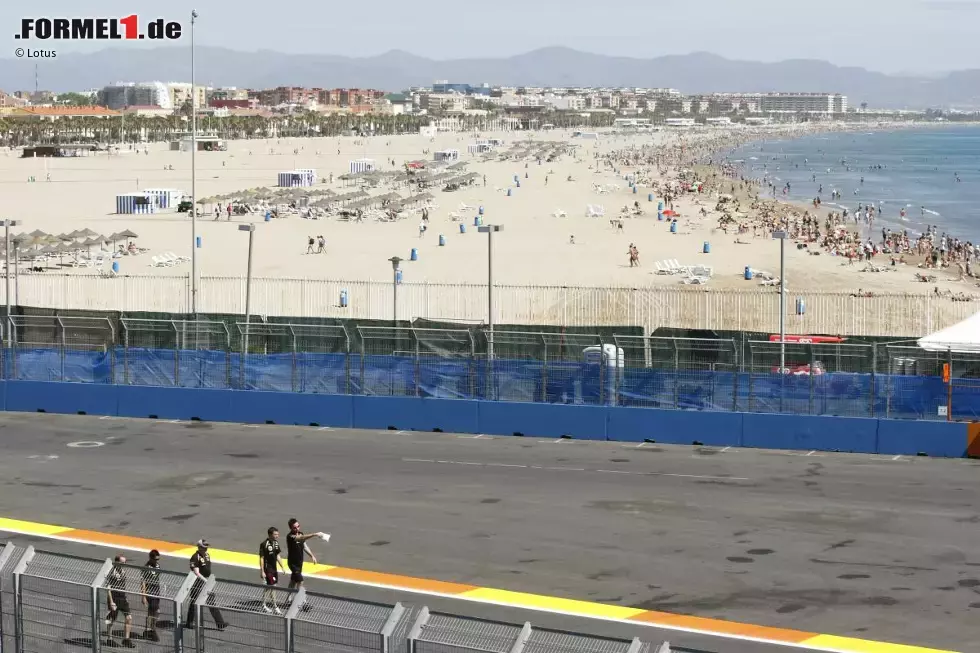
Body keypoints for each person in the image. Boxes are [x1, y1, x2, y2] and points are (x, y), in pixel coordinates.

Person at [186, 539, 227, 631]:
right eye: (204, 547)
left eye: (206, 547)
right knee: (193, 603)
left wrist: (210, 579)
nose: (206, 549)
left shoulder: (207, 555)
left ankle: (220, 623)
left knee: (211, 602)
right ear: (199, 547)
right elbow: (196, 572)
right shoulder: (195, 557)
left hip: (207, 581)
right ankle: (189, 622)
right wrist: (205, 580)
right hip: (198, 582)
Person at [105, 555, 135, 648]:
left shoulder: (123, 572)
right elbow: (108, 587)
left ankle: (126, 639)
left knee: (129, 618)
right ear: (117, 562)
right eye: (122, 562)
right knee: (112, 620)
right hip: (114, 598)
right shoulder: (111, 572)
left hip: (122, 598)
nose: (124, 564)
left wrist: (125, 596)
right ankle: (109, 639)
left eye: (125, 562)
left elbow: (123, 586)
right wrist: (111, 602)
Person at [285, 518, 324, 590]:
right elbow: (301, 538)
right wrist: (315, 534)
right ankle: (299, 599)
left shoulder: (301, 533)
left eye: (298, 526)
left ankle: (288, 599)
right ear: (290, 528)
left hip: (299, 562)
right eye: (294, 528)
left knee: (293, 581)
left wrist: (312, 556)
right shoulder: (290, 536)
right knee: (300, 581)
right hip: (293, 563)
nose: (297, 529)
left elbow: (304, 546)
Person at [259, 527, 285, 614]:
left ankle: (263, 604)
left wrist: (282, 566)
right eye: (275, 534)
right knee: (272, 587)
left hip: (274, 569)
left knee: (268, 587)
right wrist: (262, 571)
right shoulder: (264, 544)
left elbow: (278, 556)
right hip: (268, 569)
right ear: (270, 535)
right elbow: (261, 558)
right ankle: (275, 606)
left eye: (277, 534)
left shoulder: (276, 543)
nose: (277, 536)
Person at [141, 550, 162, 642]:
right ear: (150, 558)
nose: (156, 561)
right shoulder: (146, 567)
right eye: (155, 559)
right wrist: (144, 596)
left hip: (157, 591)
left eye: (158, 559)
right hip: (150, 591)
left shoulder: (157, 565)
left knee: (152, 612)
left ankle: (148, 629)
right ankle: (152, 629)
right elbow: (143, 582)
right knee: (155, 610)